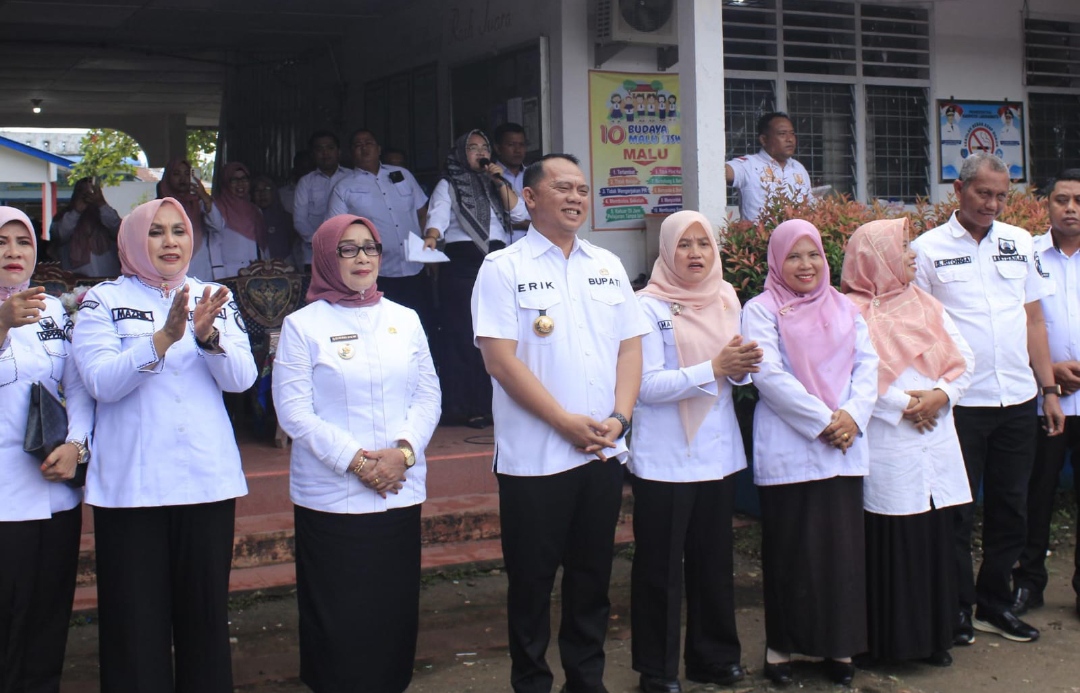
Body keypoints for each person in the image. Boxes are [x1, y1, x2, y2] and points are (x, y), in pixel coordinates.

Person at [472, 153, 651, 693]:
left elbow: (630, 350)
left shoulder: (608, 263)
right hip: (535, 459)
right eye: (562, 188)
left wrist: (620, 417)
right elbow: (500, 361)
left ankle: (586, 680)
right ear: (529, 198)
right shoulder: (503, 269)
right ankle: (530, 681)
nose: (576, 198)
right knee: (530, 583)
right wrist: (565, 423)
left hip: (600, 452)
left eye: (582, 189)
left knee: (592, 579)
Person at [72, 197, 257, 692]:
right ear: (134, 240)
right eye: (156, 232)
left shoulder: (212, 294)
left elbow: (242, 379)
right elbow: (100, 383)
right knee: (134, 626)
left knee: (205, 621)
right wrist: (163, 339)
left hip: (206, 482)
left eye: (179, 231)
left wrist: (207, 337)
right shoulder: (102, 300)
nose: (170, 242)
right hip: (133, 488)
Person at [273, 214, 440, 692]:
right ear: (326, 257)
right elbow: (294, 412)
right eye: (348, 249)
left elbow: (428, 395)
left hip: (398, 491)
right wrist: (360, 462)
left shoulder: (405, 319)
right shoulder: (302, 326)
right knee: (338, 616)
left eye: (370, 247)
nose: (363, 257)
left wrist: (402, 454)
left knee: (392, 608)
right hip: (332, 497)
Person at [911, 152, 1064, 645]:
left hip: (1018, 400)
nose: (993, 203)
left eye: (1001, 195)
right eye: (984, 193)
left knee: (1011, 509)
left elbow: (1034, 321)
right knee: (956, 510)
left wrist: (1049, 391)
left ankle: (993, 604)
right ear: (959, 191)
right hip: (959, 403)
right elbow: (917, 331)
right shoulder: (926, 250)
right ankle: (956, 606)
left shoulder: (1020, 244)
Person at [741, 219, 878, 687]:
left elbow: (868, 366)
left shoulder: (847, 308)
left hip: (843, 446)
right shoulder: (761, 309)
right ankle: (781, 647)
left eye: (813, 255)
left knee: (842, 555)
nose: (805, 265)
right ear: (778, 261)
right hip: (792, 447)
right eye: (794, 256)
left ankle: (838, 647)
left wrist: (853, 416)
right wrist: (825, 422)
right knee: (789, 552)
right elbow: (769, 374)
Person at [629, 210, 763, 693]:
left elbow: (738, 371)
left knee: (714, 563)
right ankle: (657, 670)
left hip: (719, 454)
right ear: (666, 250)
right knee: (660, 570)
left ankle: (714, 657)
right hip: (665, 457)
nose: (695, 254)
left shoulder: (726, 295)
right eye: (684, 245)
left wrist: (742, 367)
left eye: (703, 244)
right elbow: (644, 386)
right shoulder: (645, 306)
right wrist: (715, 366)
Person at [841, 218, 974, 667]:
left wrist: (940, 397)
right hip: (889, 442)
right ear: (875, 257)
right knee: (893, 541)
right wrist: (905, 405)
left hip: (934, 434)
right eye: (902, 247)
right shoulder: (849, 313)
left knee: (933, 540)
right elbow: (851, 381)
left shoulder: (927, 304)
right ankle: (890, 645)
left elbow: (965, 360)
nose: (913, 255)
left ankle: (935, 639)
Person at [0, 206, 93, 693]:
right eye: (2, 242)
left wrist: (77, 446)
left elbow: (76, 386)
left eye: (24, 241)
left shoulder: (54, 308)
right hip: (3, 494)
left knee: (48, 612)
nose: (14, 252)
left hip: (55, 489)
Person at [426, 129, 528, 428]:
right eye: (473, 148)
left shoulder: (496, 181)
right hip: (462, 265)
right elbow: (438, 216)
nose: (480, 152)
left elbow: (520, 211)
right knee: (463, 334)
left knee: (497, 335)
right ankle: (464, 406)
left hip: (497, 262)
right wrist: (431, 237)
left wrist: (499, 181)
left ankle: (493, 403)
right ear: (461, 153)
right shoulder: (449, 183)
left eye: (484, 147)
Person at [1013, 170, 1080, 619]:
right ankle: (1028, 582)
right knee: (1035, 495)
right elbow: (1015, 322)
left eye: (1078, 200)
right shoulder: (1026, 255)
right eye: (1061, 199)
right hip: (1046, 398)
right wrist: (1049, 370)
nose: (1071, 208)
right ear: (1045, 205)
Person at [327, 129, 431, 317]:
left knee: (421, 324)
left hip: (415, 269)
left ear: (378, 149)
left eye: (368, 143)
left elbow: (423, 214)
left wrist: (429, 253)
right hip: (377, 274)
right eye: (358, 145)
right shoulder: (344, 187)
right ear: (351, 153)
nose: (364, 148)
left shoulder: (403, 175)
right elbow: (335, 232)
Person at [725, 112, 812, 223]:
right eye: (782, 134)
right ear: (764, 140)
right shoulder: (748, 165)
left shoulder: (798, 168)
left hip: (794, 238)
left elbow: (810, 204)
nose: (790, 139)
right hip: (760, 238)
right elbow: (719, 172)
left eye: (792, 133)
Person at [292, 131, 349, 267]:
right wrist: (320, 241)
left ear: (339, 151)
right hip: (314, 255)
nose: (325, 153)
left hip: (348, 253)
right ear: (313, 154)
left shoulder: (352, 178)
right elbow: (300, 220)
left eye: (330, 148)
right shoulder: (305, 182)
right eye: (319, 149)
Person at [205, 161, 266, 278]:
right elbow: (215, 233)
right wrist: (219, 275)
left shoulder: (255, 210)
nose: (240, 184)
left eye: (244, 179)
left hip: (255, 272)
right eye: (234, 180)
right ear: (226, 183)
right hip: (229, 273)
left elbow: (262, 245)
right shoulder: (217, 207)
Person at [51, 177, 122, 277]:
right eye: (83, 194)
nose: (88, 197)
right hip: (74, 279)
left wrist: (101, 203)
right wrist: (77, 211)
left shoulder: (104, 214)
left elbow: (118, 229)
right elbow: (61, 234)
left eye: (91, 193)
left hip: (108, 276)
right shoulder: (64, 215)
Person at [158, 158, 214, 280]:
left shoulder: (198, 203)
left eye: (187, 174)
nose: (183, 179)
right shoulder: (157, 207)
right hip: (169, 265)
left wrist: (204, 197)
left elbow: (218, 225)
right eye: (177, 174)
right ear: (168, 177)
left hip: (199, 264)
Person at [493, 122, 532, 243]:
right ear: (498, 148)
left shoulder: (533, 175)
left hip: (532, 247)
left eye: (522, 145)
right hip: (500, 248)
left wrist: (520, 224)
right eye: (511, 145)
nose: (518, 150)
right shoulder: (489, 177)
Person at [252, 174, 298, 264]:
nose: (262, 194)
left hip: (284, 267)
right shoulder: (246, 220)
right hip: (255, 268)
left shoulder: (287, 218)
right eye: (257, 190)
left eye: (267, 189)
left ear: (274, 192)